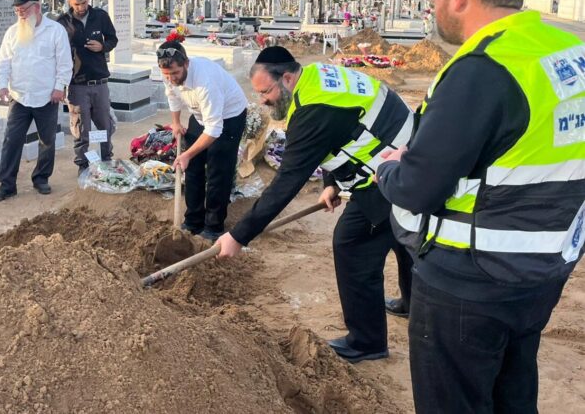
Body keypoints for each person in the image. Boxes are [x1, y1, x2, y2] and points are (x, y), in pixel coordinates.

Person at [376, 0, 585, 414]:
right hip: (540, 270)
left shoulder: (483, 68)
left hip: (468, 282)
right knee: (512, 395)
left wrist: (389, 170)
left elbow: (418, 188)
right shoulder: (563, 51)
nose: (433, 4)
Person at [215, 46, 415, 363]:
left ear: (289, 78)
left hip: (390, 175)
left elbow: (287, 182)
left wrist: (239, 235)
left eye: (266, 91)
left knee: (352, 245)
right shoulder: (318, 76)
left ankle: (367, 342)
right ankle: (412, 302)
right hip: (409, 158)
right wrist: (332, 183)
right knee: (405, 234)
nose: (263, 101)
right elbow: (340, 130)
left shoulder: (311, 109)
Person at [157, 41, 247, 241]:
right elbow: (172, 95)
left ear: (186, 64)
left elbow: (214, 129)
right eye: (167, 75)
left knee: (217, 170)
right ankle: (193, 220)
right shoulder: (169, 74)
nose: (171, 79)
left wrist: (187, 153)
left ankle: (213, 226)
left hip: (228, 117)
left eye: (175, 74)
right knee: (193, 168)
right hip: (200, 116)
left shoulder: (206, 82)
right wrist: (175, 122)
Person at [0, 0, 72, 201]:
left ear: (36, 7)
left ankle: (41, 178)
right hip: (19, 96)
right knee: (11, 140)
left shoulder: (55, 31)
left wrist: (59, 87)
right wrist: (2, 85)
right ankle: (7, 184)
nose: (21, 15)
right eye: (17, 11)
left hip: (47, 95)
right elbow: (4, 61)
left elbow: (64, 63)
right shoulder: (12, 32)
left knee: (47, 140)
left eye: (24, 10)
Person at [66, 0, 117, 175]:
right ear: (70, 1)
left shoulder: (100, 16)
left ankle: (106, 159)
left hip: (99, 81)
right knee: (82, 127)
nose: (82, 7)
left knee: (104, 124)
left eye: (85, 2)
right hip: (77, 84)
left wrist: (102, 46)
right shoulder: (64, 22)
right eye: (77, 4)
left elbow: (113, 39)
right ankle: (83, 165)